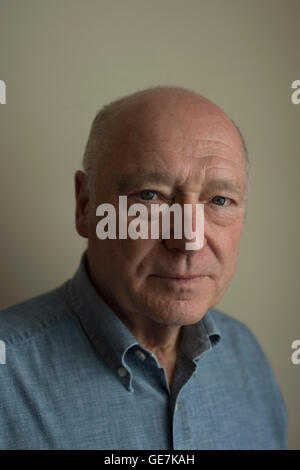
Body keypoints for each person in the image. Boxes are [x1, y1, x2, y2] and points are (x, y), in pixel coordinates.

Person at [0, 86, 287, 449]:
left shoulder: (247, 356)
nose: (188, 240)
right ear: (85, 205)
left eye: (219, 200)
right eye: (150, 196)